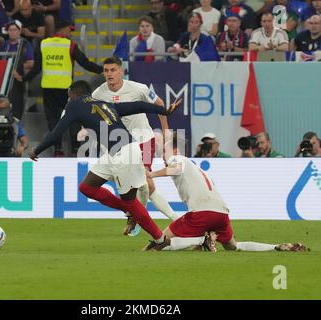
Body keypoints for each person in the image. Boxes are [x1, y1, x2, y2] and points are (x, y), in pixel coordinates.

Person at [29, 80, 181, 247]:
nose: (68, 100)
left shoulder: (74, 105)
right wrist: (164, 110)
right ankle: (128, 210)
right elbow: (138, 106)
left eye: (69, 96)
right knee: (87, 188)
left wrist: (36, 150)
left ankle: (160, 240)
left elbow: (56, 134)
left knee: (132, 201)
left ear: (74, 94)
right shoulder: (104, 104)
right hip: (116, 153)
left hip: (125, 154)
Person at [144, 133, 308, 252]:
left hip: (202, 212)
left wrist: (152, 174)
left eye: (164, 152)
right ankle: (275, 247)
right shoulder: (197, 168)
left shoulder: (177, 159)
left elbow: (176, 168)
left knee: (159, 241)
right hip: (221, 212)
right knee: (233, 246)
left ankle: (202, 239)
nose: (162, 156)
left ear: (174, 150)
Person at [92, 56, 178, 234]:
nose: (109, 74)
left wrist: (166, 133)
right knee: (133, 186)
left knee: (146, 181)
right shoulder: (98, 93)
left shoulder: (139, 89)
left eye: (113, 70)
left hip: (142, 140)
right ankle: (137, 215)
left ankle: (175, 220)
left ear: (121, 71)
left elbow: (160, 104)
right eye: (106, 71)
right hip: (118, 146)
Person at [16, 19, 103, 157]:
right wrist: (102, 69)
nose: (71, 33)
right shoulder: (70, 45)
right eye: (70, 30)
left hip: (49, 89)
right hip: (68, 90)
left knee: (54, 120)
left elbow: (37, 68)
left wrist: (25, 78)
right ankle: (75, 150)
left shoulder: (44, 44)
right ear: (62, 30)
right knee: (74, 118)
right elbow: (85, 63)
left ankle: (58, 150)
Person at [0, 20, 34, 120]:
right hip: (4, 79)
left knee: (17, 107)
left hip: (17, 80)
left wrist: (15, 69)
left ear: (19, 31)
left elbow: (30, 63)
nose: (12, 32)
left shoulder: (25, 44)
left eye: (14, 30)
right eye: (10, 30)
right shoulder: (5, 45)